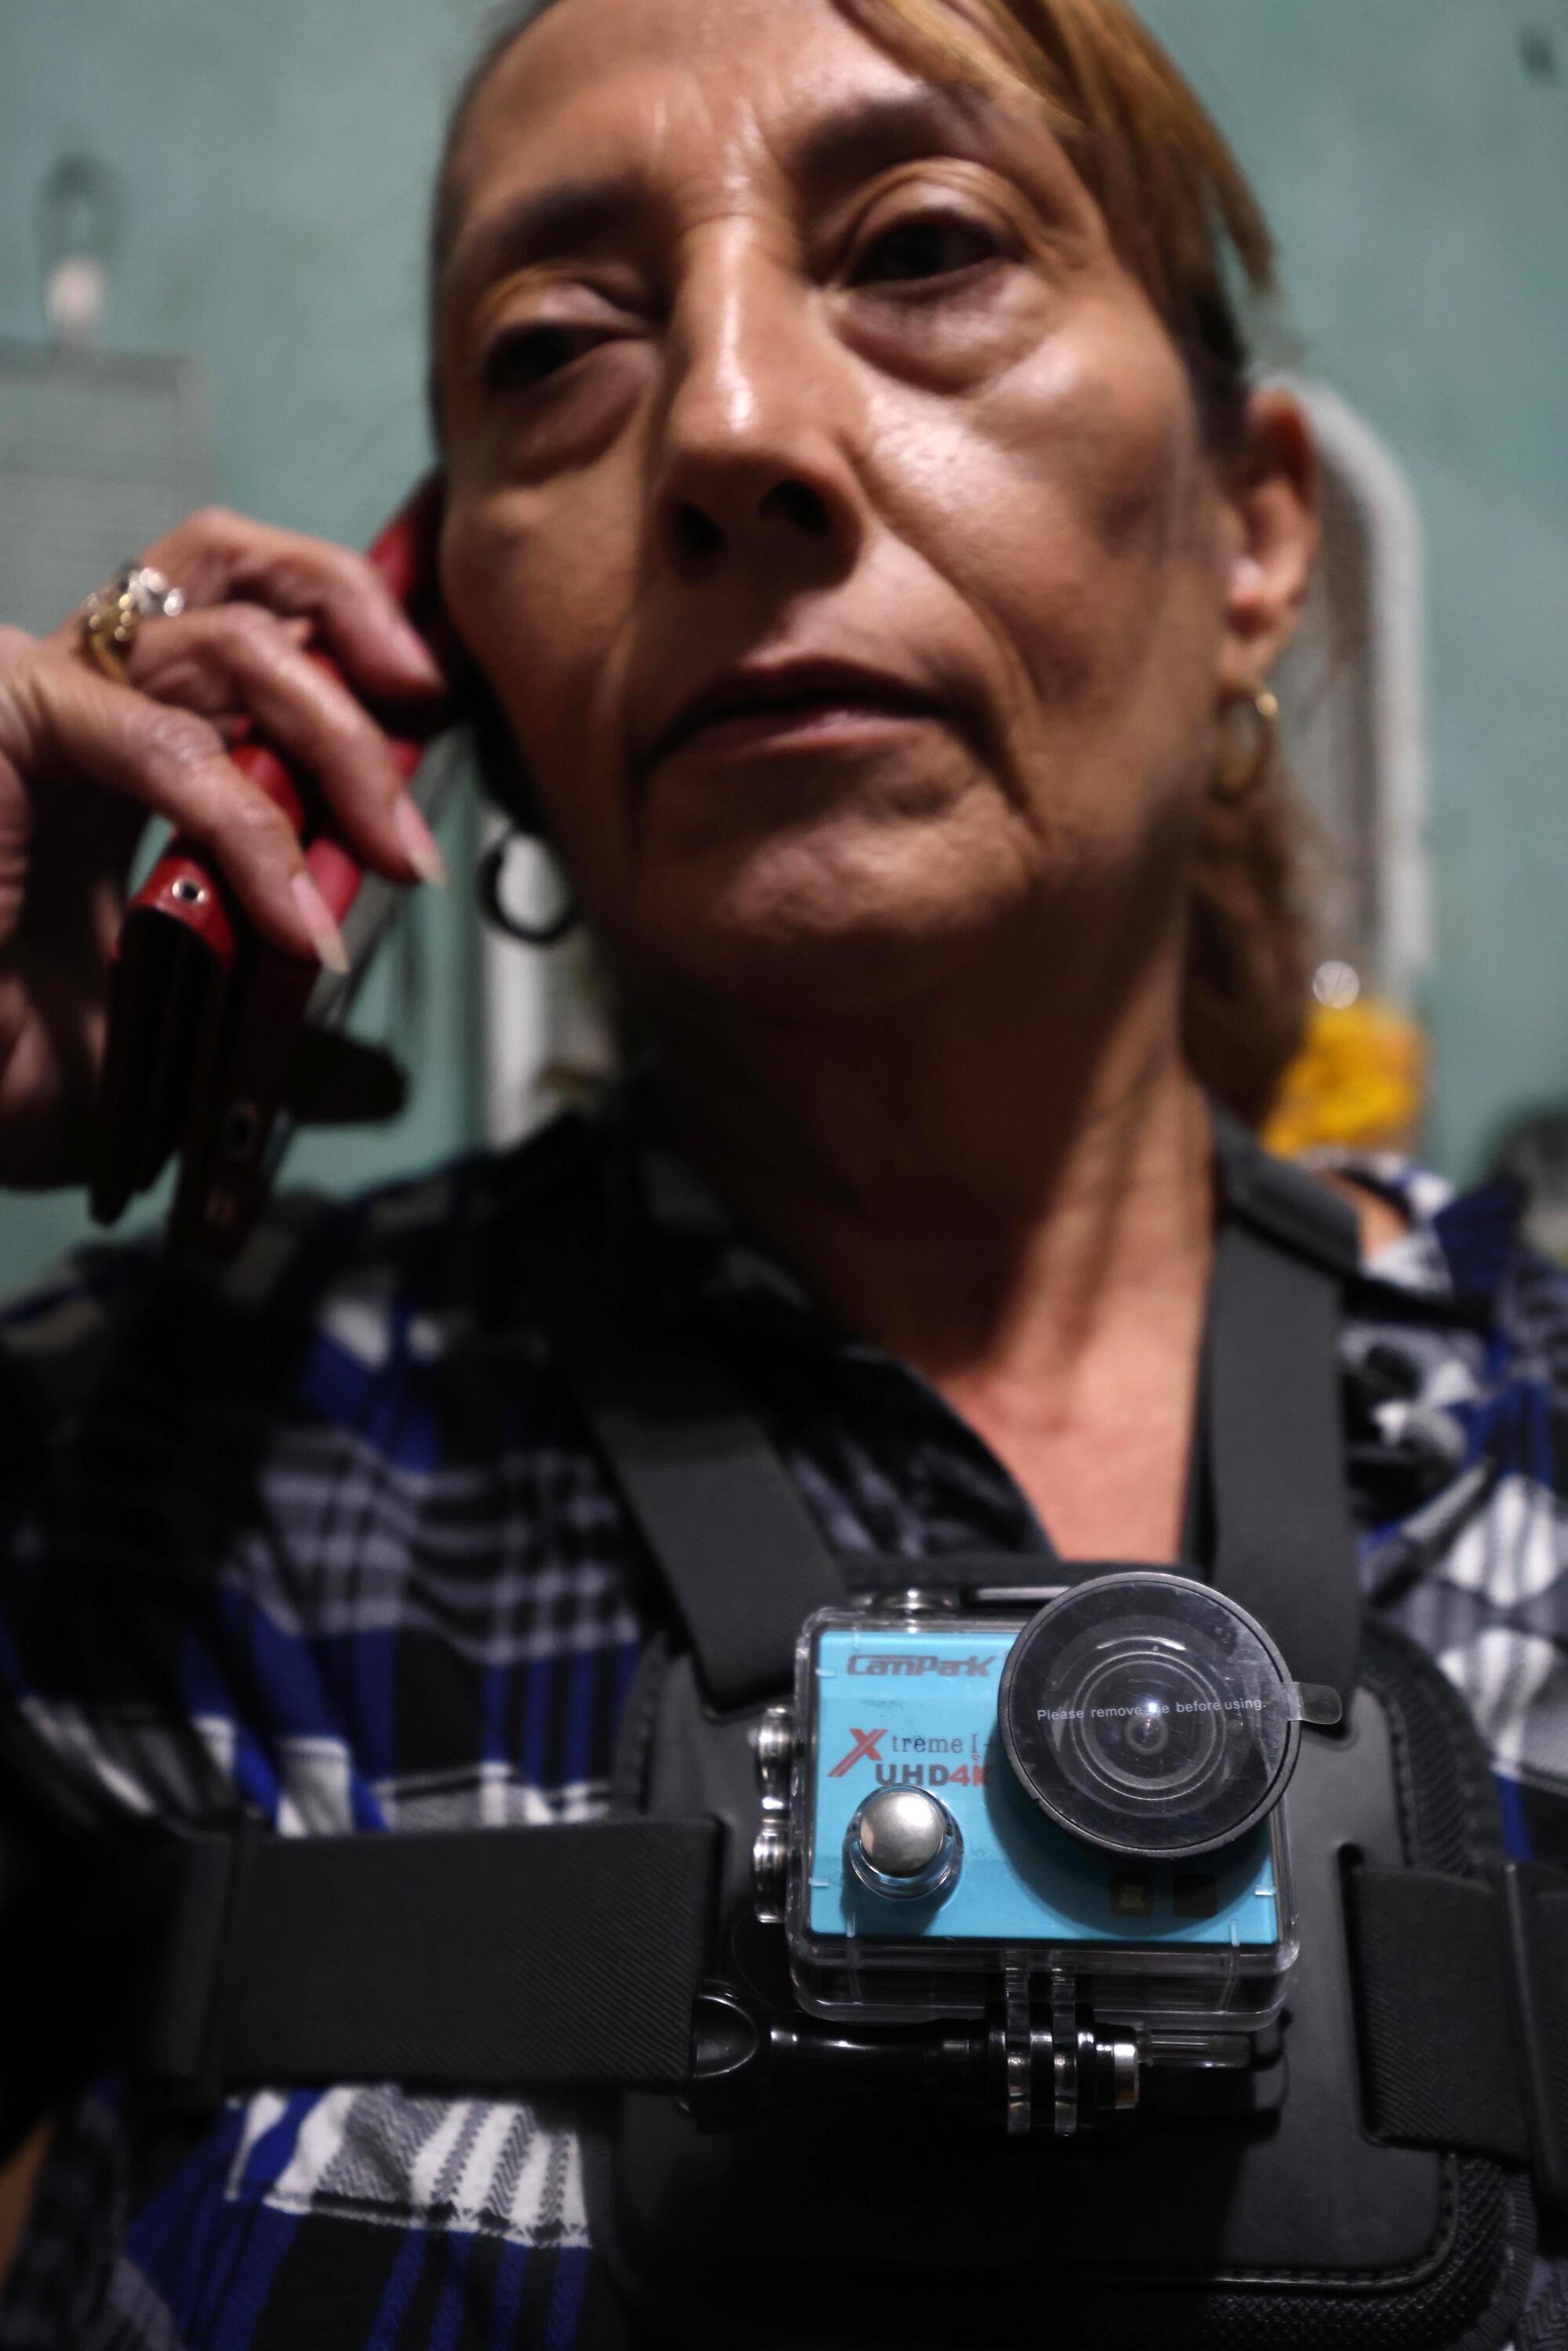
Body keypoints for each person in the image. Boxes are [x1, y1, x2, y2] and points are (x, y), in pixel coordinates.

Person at [0, 0, 1563, 2342]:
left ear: (1251, 543)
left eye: (924, 247)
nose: (727, 428)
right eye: (554, 352)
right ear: (459, 652)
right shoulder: (151, 1469)